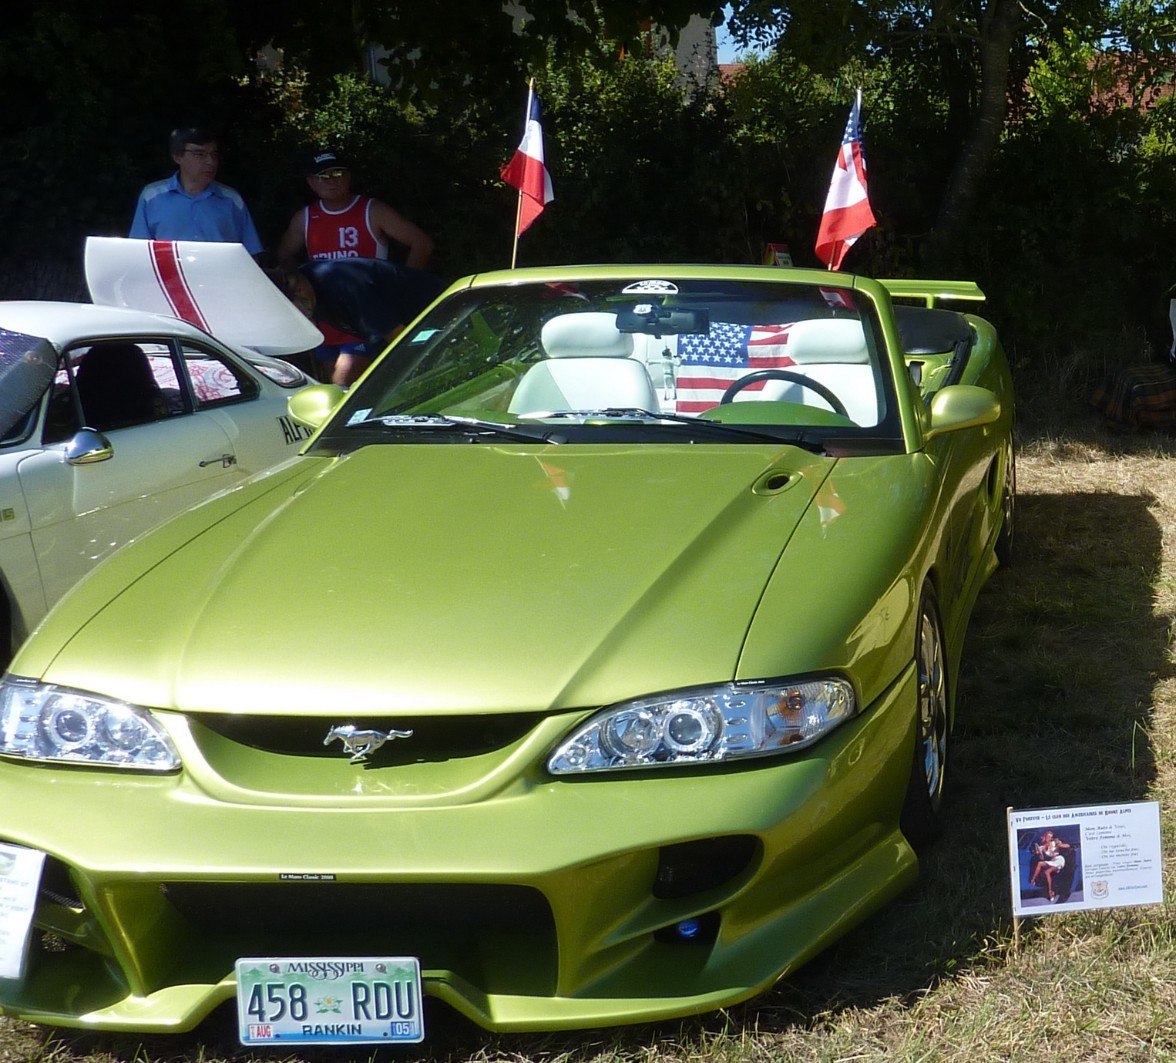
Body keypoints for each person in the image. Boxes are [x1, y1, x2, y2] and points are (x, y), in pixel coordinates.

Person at [277, 148, 435, 383]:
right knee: (334, 382)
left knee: (344, 379)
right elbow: (283, 258)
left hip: (366, 311)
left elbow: (421, 244)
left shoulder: (372, 210)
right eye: (323, 176)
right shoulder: (305, 218)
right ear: (311, 182)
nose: (332, 180)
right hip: (328, 314)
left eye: (338, 172)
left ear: (349, 176)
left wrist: (403, 286)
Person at [269, 259, 446, 386]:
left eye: (292, 303)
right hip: (388, 325)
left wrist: (420, 379)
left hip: (437, 310)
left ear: (299, 287)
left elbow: (400, 337)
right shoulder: (309, 286)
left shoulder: (341, 286)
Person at [129, 127, 263, 254]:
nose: (210, 162)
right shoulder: (152, 197)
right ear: (177, 157)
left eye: (214, 155)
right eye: (200, 154)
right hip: (171, 277)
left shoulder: (231, 200)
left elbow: (250, 256)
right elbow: (138, 252)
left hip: (218, 277)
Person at [1028, 830, 1072, 903]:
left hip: (1059, 860)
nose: (1049, 838)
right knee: (1040, 864)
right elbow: (1040, 856)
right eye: (1048, 836)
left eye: (1051, 837)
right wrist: (1038, 853)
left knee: (1047, 871)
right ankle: (1033, 880)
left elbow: (1068, 846)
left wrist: (1060, 845)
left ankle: (1050, 893)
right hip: (1052, 860)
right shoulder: (1042, 847)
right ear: (1045, 837)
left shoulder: (1054, 843)